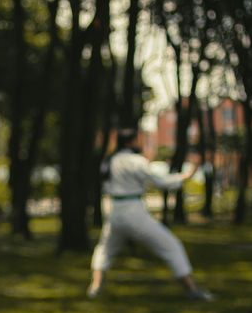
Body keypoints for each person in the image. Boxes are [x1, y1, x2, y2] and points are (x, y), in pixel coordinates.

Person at [87, 128, 212, 301]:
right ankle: (191, 289)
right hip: (134, 212)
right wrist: (185, 176)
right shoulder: (136, 161)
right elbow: (159, 182)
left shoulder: (111, 160)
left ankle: (95, 286)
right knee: (171, 246)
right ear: (131, 142)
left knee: (105, 249)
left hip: (114, 212)